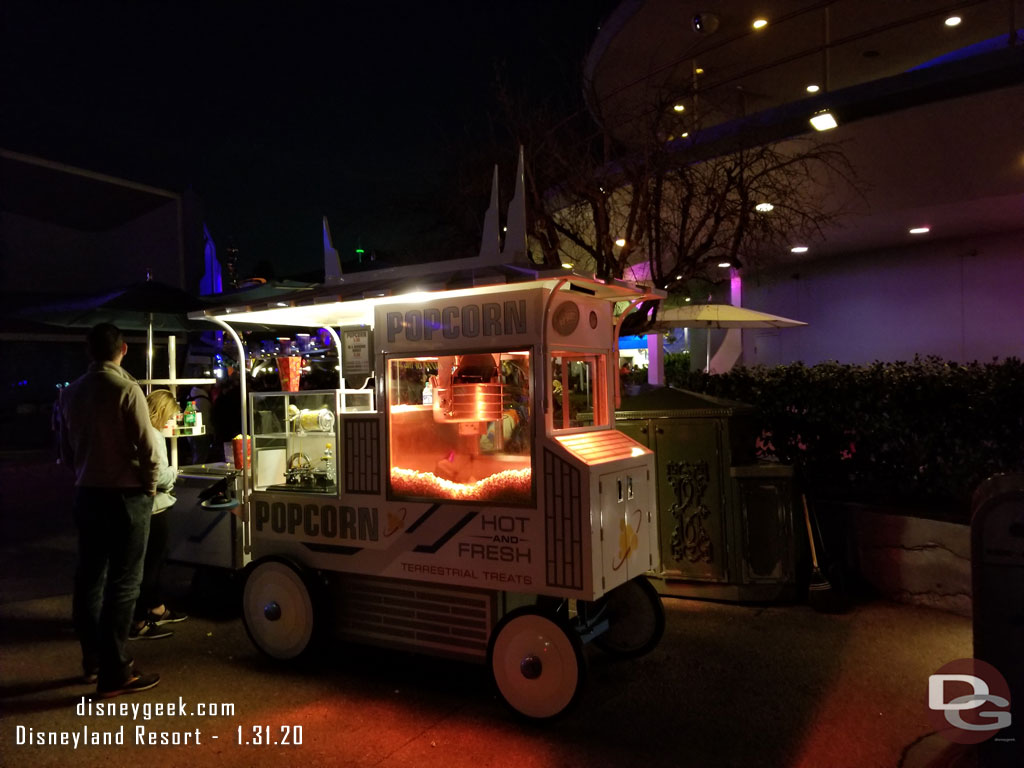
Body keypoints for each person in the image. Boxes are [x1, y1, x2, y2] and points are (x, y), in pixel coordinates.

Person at [58, 323, 161, 697]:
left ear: (89, 352)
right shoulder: (126, 389)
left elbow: (66, 449)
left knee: (88, 580)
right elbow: (149, 449)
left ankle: (93, 660)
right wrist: (149, 489)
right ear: (124, 349)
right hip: (125, 496)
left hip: (86, 493)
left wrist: (85, 472)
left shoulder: (70, 393)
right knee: (124, 582)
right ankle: (117, 672)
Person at [130, 389, 188, 639]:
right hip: (155, 508)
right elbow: (158, 475)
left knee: (142, 563)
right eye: (170, 415)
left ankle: (155, 609)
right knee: (153, 563)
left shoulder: (133, 432)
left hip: (139, 507)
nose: (170, 422)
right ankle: (141, 620)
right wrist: (174, 473)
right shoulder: (153, 436)